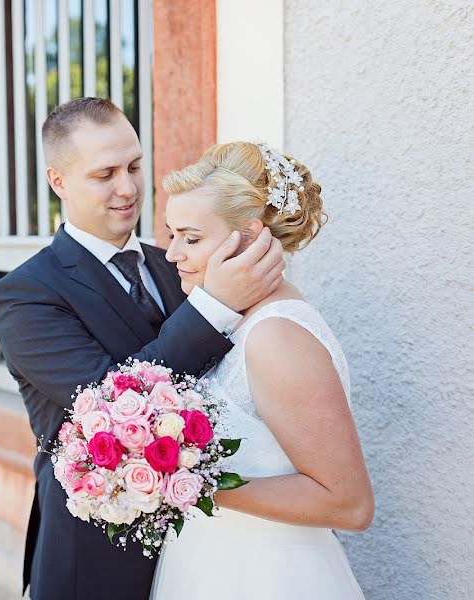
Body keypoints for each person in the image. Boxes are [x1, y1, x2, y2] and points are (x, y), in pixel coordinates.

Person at [0, 98, 285, 599]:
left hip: (204, 547)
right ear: (58, 181)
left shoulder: (178, 260)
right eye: (104, 173)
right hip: (97, 554)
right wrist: (215, 305)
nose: (128, 188)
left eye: (134, 165)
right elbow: (112, 399)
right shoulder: (25, 294)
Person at [150, 141, 374, 599]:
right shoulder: (232, 321)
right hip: (211, 567)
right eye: (172, 235)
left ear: (250, 237)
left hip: (271, 578)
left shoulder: (277, 337)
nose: (172, 254)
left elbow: (349, 503)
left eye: (191, 238)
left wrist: (192, 485)